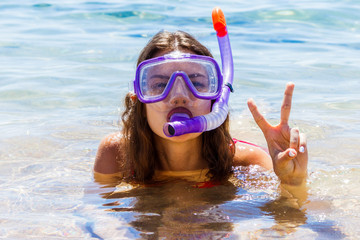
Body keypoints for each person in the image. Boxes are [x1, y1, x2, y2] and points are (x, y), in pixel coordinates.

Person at [94, 30, 308, 189]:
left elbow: (290, 222)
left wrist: (293, 181)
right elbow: (96, 215)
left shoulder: (246, 162)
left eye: (196, 84)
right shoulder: (118, 154)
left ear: (217, 100)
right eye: (160, 85)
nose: (179, 96)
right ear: (140, 101)